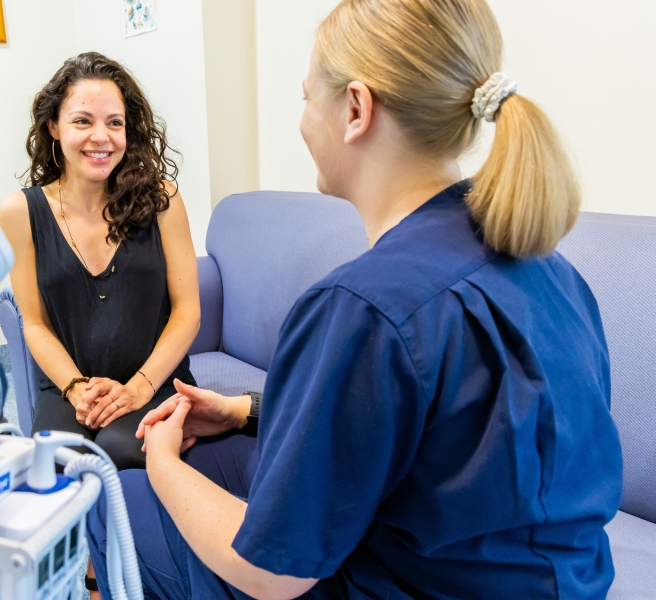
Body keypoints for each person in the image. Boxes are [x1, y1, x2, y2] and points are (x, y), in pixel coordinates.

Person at [86, 0, 623, 598]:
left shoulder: (363, 306)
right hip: (553, 580)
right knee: (225, 454)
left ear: (356, 109)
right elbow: (455, 431)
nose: (303, 121)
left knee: (117, 496)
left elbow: (274, 575)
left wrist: (160, 462)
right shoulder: (550, 268)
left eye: (307, 98)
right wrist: (245, 411)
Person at [0, 52, 200, 472]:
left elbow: (187, 311)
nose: (101, 137)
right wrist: (75, 389)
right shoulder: (19, 213)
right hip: (72, 386)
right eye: (82, 121)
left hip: (155, 379)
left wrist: (139, 388)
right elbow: (33, 322)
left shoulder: (162, 199)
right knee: (58, 461)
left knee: (123, 448)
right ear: (53, 127)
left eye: (114, 122)